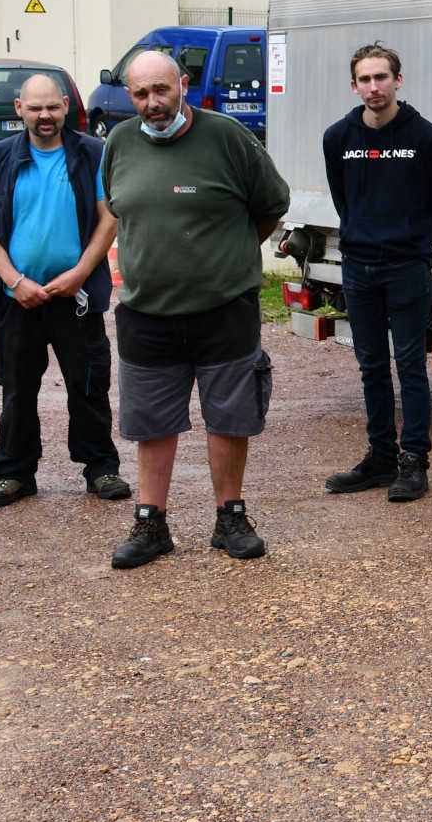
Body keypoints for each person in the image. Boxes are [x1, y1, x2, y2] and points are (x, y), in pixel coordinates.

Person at [100, 51, 291, 569]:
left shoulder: (227, 136)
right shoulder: (118, 142)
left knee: (230, 417)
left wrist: (228, 255)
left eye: (162, 90)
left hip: (224, 309)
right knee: (150, 422)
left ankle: (230, 516)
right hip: (146, 311)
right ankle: (151, 524)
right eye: (140, 94)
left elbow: (272, 204)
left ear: (183, 84)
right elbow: (117, 210)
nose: (152, 103)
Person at [0, 73, 129, 509]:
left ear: (65, 107)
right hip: (17, 298)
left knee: (88, 384)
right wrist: (14, 282)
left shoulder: (91, 154)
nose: (45, 116)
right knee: (17, 388)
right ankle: (14, 474)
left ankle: (101, 468)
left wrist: (80, 273)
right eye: (35, 108)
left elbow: (108, 219)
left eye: (52, 108)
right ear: (19, 108)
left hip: (74, 297)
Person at [320, 43, 432, 503]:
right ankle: (381, 457)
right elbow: (344, 200)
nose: (374, 87)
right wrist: (364, 235)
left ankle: (414, 460)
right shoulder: (338, 137)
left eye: (381, 77)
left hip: (407, 268)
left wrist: (418, 246)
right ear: (354, 84)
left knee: (409, 366)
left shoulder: (425, 137)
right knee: (371, 367)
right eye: (365, 79)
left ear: (398, 80)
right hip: (358, 267)